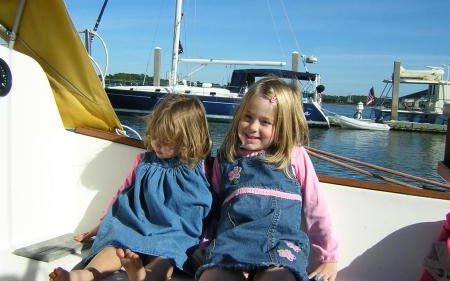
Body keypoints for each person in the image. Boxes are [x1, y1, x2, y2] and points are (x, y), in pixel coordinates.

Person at [49, 94, 213, 281]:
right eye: (154, 136)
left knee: (168, 256)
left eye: (166, 141)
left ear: (188, 139)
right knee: (115, 245)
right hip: (135, 225)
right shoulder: (143, 162)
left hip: (175, 232)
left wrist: (205, 243)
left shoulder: (199, 166)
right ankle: (84, 275)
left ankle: (145, 277)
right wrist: (101, 225)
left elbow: (210, 206)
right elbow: (122, 194)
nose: (156, 144)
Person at [196, 77, 339, 281]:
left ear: (282, 128)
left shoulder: (293, 155)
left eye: (265, 122)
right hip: (232, 243)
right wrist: (204, 244)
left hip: (280, 245)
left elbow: (315, 207)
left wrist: (328, 257)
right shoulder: (226, 158)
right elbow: (214, 208)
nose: (253, 127)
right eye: (248, 117)